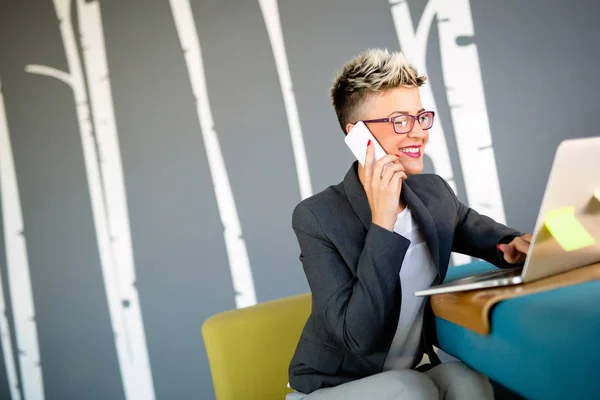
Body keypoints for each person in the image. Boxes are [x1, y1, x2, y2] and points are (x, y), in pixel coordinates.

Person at [285, 49, 532, 399]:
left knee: (470, 382)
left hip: (406, 374)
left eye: (421, 117)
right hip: (330, 387)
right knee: (411, 389)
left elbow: (482, 233)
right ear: (358, 135)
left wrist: (512, 244)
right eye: (400, 121)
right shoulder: (317, 217)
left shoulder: (433, 193)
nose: (418, 133)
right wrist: (382, 222)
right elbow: (358, 337)